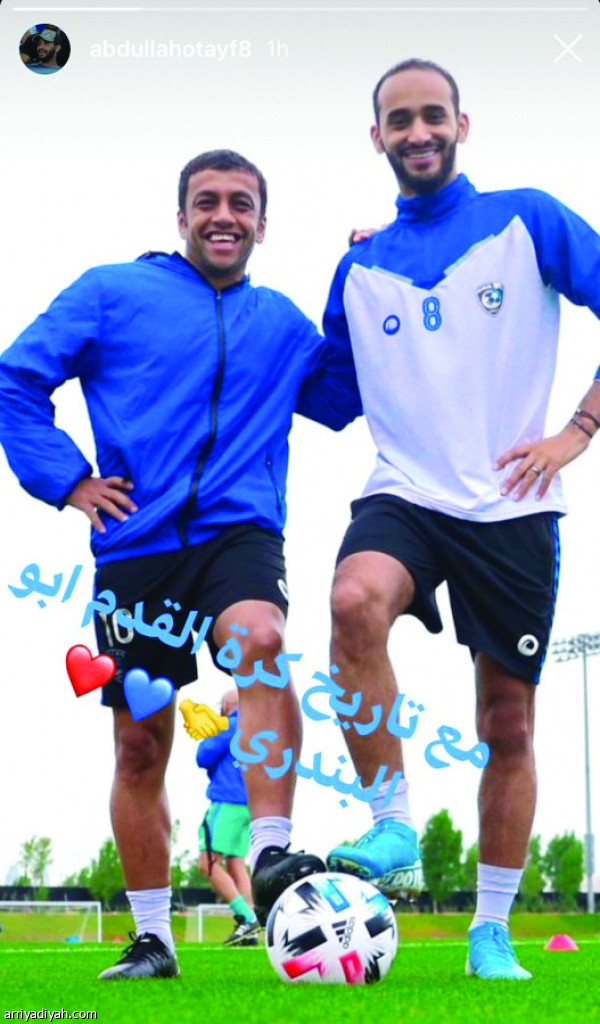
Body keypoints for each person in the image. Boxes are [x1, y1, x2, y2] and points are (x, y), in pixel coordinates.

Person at [0, 149, 361, 979]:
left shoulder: (280, 323)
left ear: (262, 223)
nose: (223, 215)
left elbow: (339, 398)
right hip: (137, 544)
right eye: (207, 201)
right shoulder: (111, 292)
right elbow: (15, 382)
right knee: (139, 745)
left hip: (240, 533)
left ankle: (270, 853)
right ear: (181, 217)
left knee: (260, 639)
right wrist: (69, 481)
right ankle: (153, 939)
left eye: (240, 203)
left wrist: (356, 282)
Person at [321, 59, 600, 980]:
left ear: (461, 125)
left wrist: (577, 430)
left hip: (512, 501)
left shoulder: (531, 219)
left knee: (507, 724)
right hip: (405, 492)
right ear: (377, 137)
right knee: (354, 600)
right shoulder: (359, 267)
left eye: (432, 115)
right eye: (399, 120)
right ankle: (393, 826)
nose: (418, 132)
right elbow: (327, 391)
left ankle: (490, 929)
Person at [181, 690, 259, 947]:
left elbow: (203, 756)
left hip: (227, 803)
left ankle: (247, 918)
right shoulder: (259, 727)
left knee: (209, 863)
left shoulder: (228, 725)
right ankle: (249, 930)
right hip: (250, 805)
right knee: (237, 863)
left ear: (227, 705)